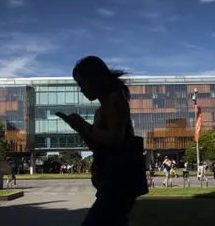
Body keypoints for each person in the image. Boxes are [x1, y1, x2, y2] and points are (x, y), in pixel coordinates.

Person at [57, 56, 147, 226]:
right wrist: (80, 128)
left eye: (81, 83)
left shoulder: (114, 99)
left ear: (95, 79)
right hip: (112, 184)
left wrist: (84, 126)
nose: (80, 90)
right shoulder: (102, 109)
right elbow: (98, 147)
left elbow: (116, 137)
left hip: (118, 184)